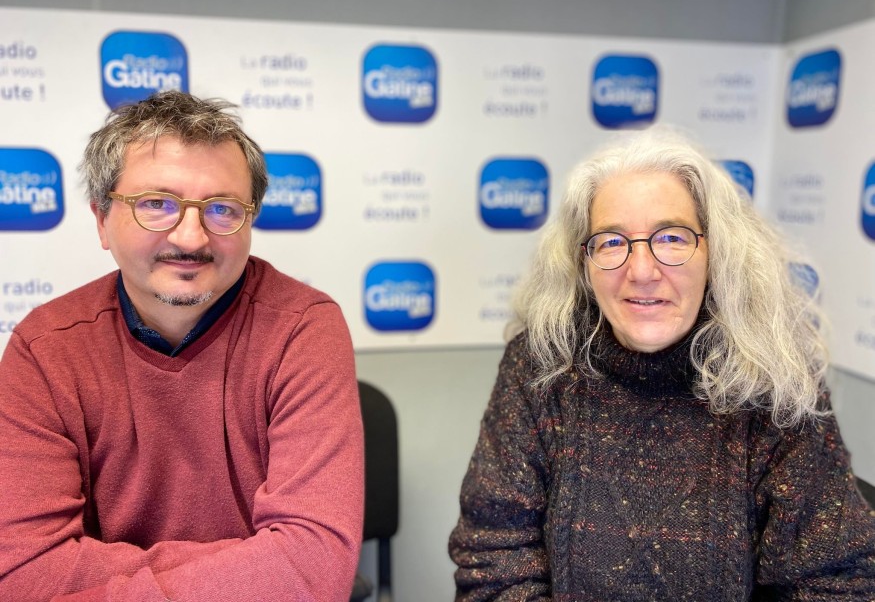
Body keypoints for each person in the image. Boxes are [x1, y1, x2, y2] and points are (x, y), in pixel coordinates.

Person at [449, 127, 875, 600]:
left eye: (671, 237)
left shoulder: (775, 379)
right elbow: (493, 563)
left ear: (717, 253)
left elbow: (834, 583)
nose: (642, 271)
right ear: (584, 264)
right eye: (612, 242)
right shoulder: (539, 366)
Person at [0, 91, 364, 601]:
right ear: (102, 219)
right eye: (157, 204)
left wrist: (98, 573)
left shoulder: (303, 328)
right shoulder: (44, 348)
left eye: (222, 209)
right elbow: (23, 575)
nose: (191, 239)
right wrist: (256, 564)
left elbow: (315, 569)